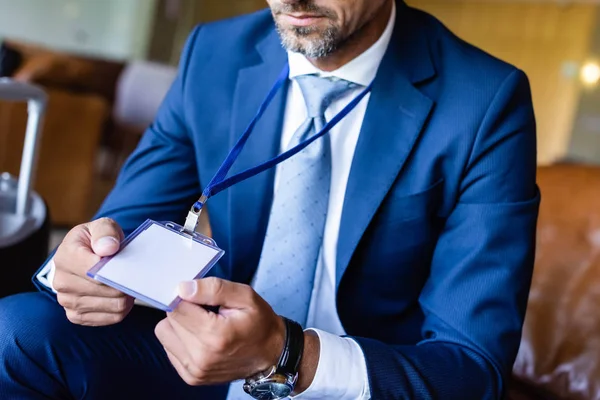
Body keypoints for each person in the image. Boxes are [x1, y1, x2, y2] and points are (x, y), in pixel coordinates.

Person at [0, 0, 540, 399]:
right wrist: (80, 264)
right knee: (17, 332)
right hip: (200, 360)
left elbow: (472, 370)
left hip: (355, 376)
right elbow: (121, 223)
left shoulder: (486, 101)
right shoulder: (213, 54)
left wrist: (285, 354)